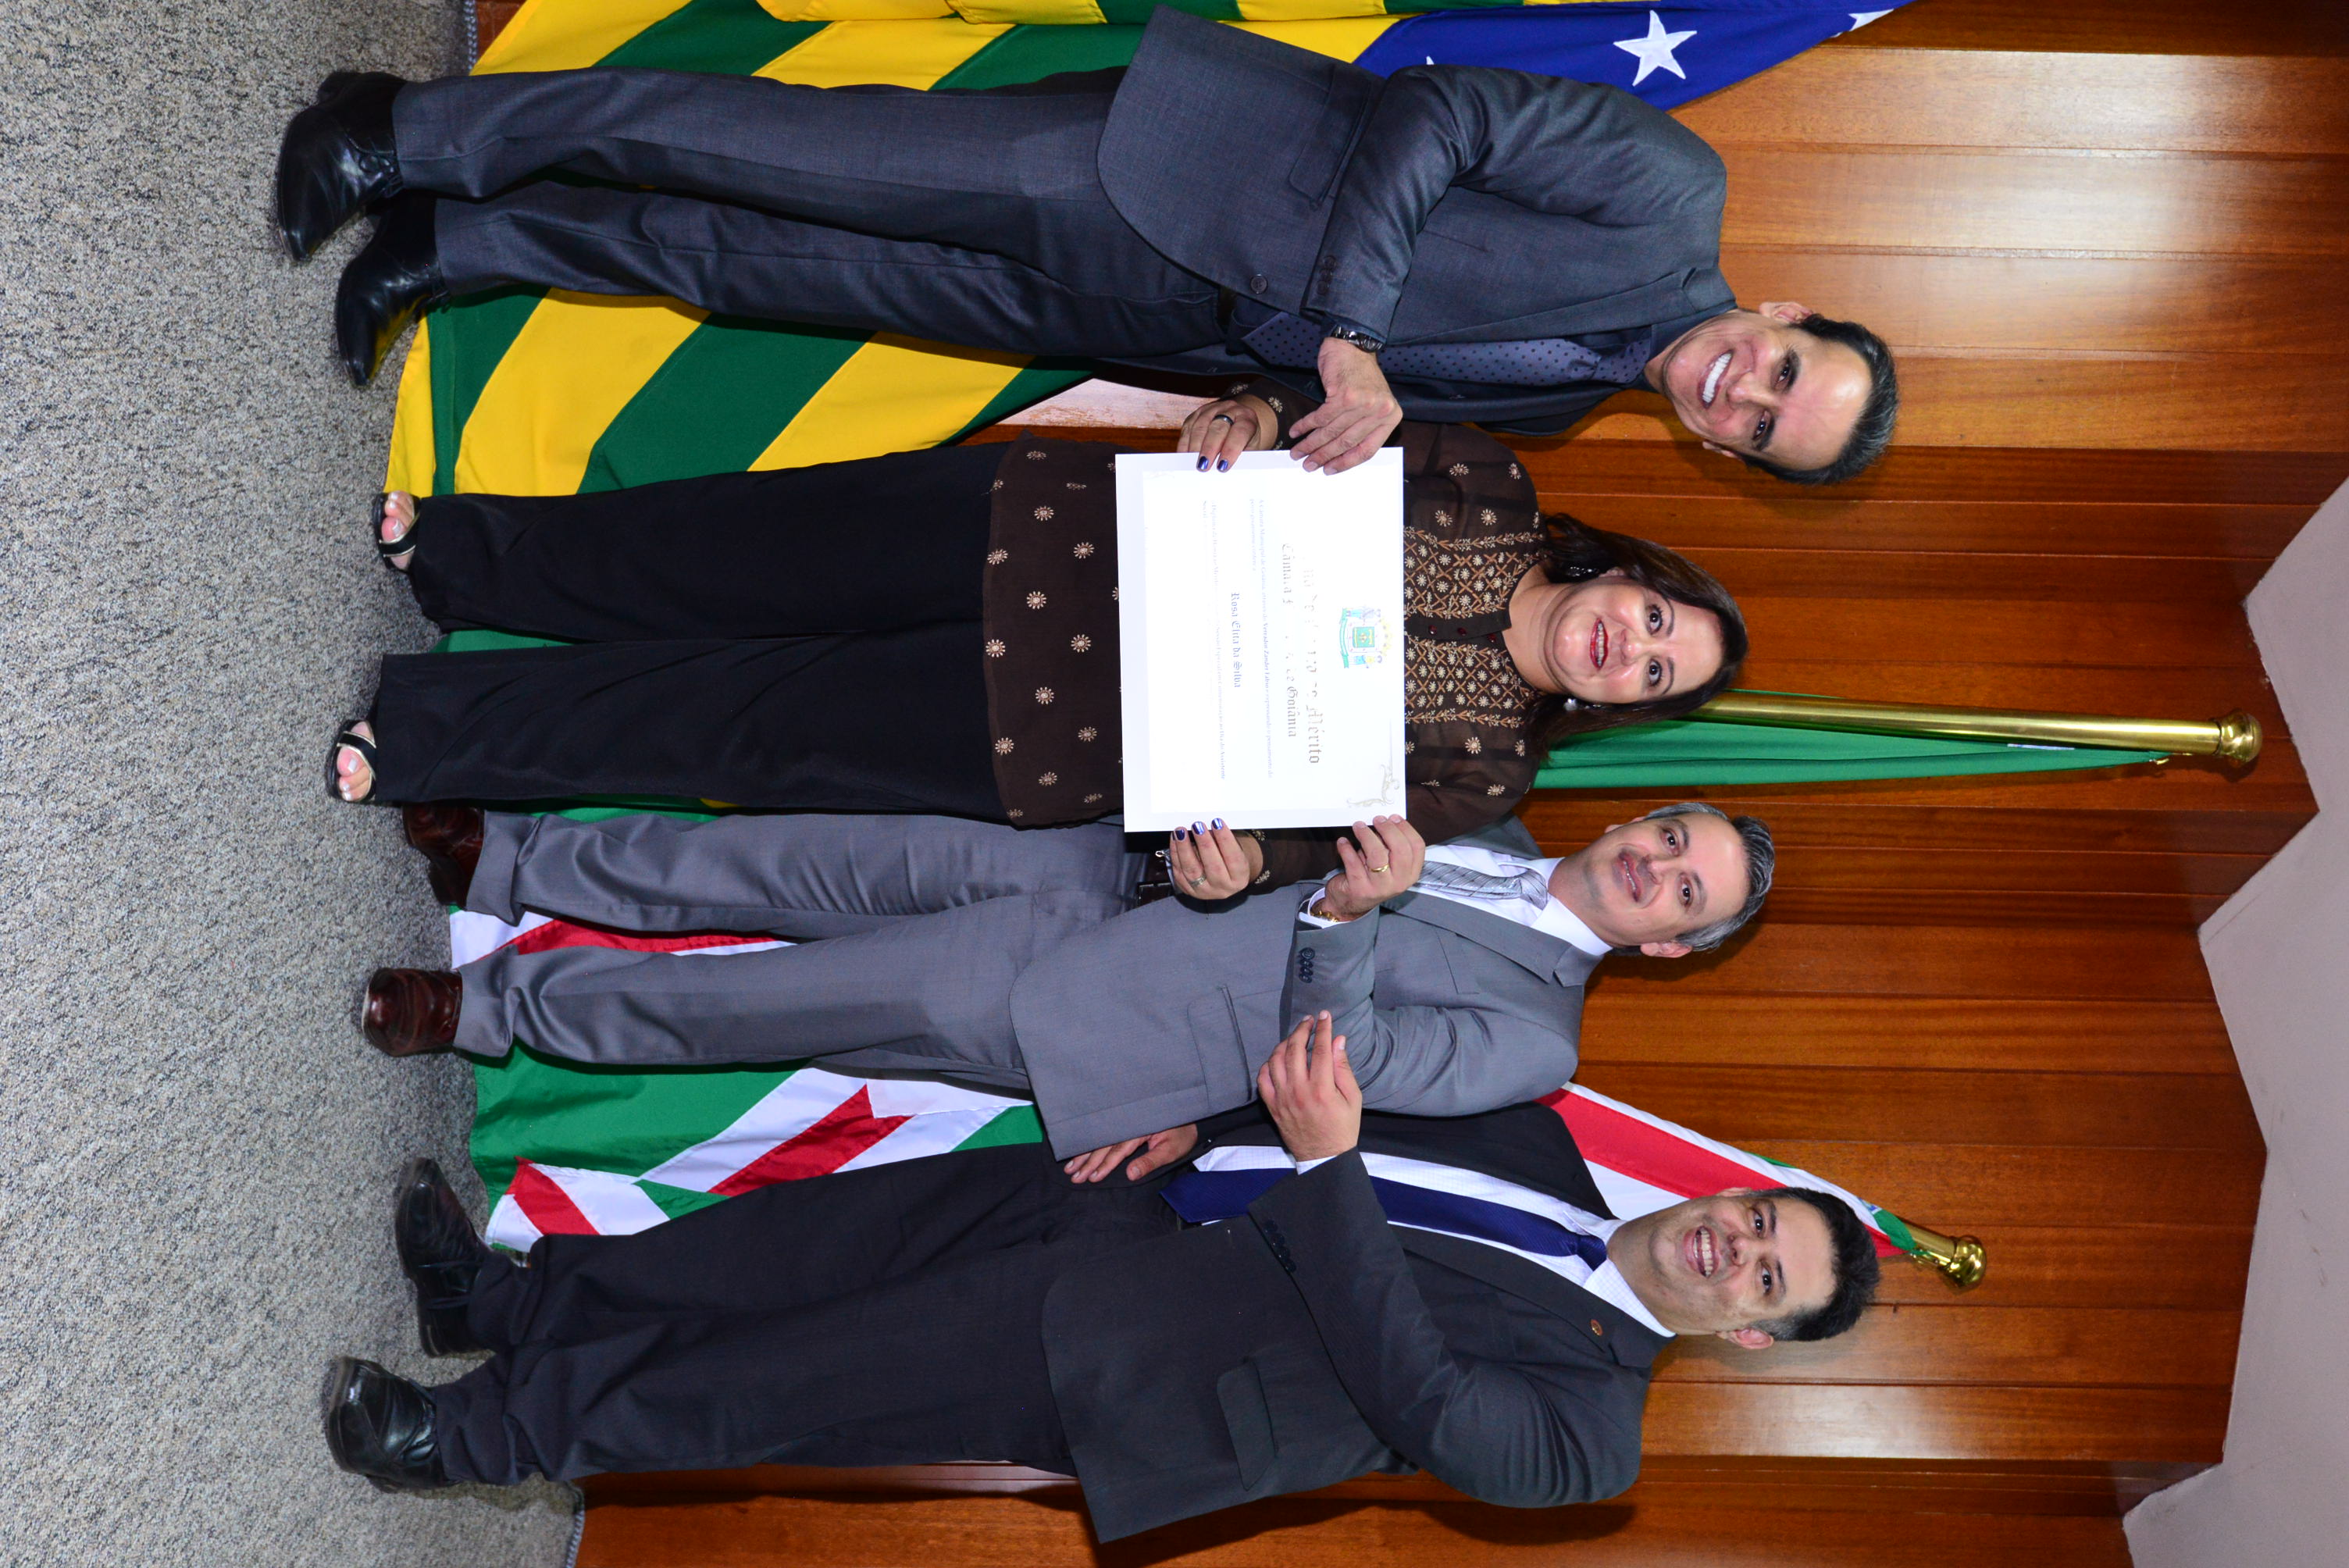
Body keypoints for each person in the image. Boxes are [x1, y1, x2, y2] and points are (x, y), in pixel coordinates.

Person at [323, 1016, 1880, 1536]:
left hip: (1125, 1365)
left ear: (1749, 1331)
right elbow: (1335, 1091)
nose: (1735, 1243)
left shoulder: (1592, 1439)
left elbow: (1422, 1393)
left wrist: (1326, 1165)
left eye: (1764, 1274)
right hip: (1118, 1204)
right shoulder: (1538, 1140)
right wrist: (1201, 1123)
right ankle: (506, 1304)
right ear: (1729, 1189)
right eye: (1758, 1215)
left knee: (772, 1381)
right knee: (778, 1252)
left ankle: (464, 1438)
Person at [276, 9, 1898, 481]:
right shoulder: (1670, 192)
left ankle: (460, 242)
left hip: (1133, 317)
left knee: (757, 269)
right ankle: (403, 127)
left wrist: (1265, 406)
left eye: (1762, 428)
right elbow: (1440, 110)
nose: (1742, 394)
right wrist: (1348, 330)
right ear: (1784, 310)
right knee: (768, 148)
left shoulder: (1570, 402)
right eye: (1782, 370)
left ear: (1730, 454)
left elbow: (1346, 381)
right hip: (1161, 167)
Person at [324, 388, 1748, 895]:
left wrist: (1240, 869)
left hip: (1046, 733)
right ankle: (460, 552)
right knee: (724, 547)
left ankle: (434, 734)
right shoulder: (1489, 480)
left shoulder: (1490, 773)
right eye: (1657, 619)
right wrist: (1252, 415)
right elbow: (1302, 418)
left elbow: (1303, 842)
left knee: (729, 729)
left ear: (1626, 704)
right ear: (1635, 574)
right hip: (1045, 528)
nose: (1630, 646)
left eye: (1655, 672)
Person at [362, 802, 1771, 1164]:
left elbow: (1346, 1065)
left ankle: (486, 1013)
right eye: (1671, 836)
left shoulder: (1537, 1043)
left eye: (1683, 890)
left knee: (761, 1006)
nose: (1654, 865)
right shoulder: (1491, 817)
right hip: (1105, 859)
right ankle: (515, 859)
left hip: (1095, 1006)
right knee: (782, 859)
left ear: (1671, 947)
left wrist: (1345, 910)